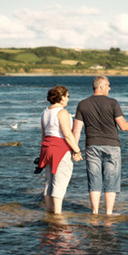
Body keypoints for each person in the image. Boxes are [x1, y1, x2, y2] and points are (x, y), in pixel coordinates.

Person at [73, 76, 128, 215]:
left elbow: (76, 131)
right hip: (112, 146)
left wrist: (76, 150)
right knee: (111, 181)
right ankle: (108, 213)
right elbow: (123, 126)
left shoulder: (82, 104)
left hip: (92, 146)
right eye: (108, 85)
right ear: (101, 87)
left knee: (94, 179)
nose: (109, 88)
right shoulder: (113, 103)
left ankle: (94, 212)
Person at [39, 85, 82, 214]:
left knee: (49, 182)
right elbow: (67, 134)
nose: (68, 99)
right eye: (67, 96)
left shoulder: (45, 112)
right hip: (60, 148)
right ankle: (57, 214)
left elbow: (44, 134)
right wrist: (77, 150)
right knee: (60, 182)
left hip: (46, 147)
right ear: (61, 97)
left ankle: (49, 212)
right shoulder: (62, 112)